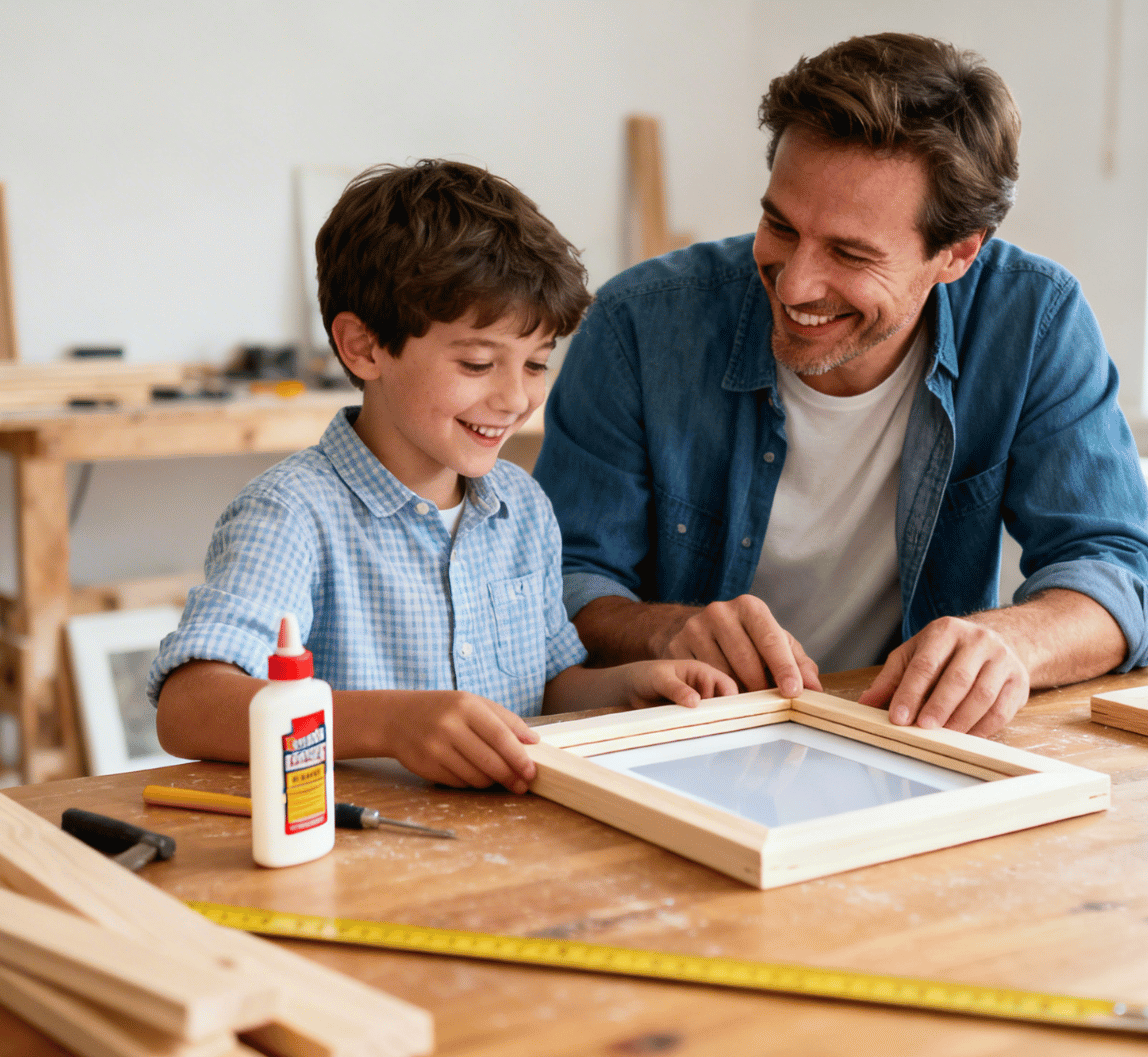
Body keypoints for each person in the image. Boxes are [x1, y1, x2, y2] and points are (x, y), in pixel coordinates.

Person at [535, 33, 1148, 738]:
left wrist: (1015, 642)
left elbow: (1125, 575)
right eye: (780, 225)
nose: (797, 281)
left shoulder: (1034, 320)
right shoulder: (640, 324)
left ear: (957, 254)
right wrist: (665, 632)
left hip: (898, 740)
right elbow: (557, 582)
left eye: (849, 252)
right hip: (689, 740)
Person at [150, 160, 735, 794]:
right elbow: (189, 709)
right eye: (479, 363)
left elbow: (545, 686)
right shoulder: (293, 514)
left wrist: (626, 685)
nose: (515, 399)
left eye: (537, 364)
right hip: (360, 854)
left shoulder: (523, 506)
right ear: (364, 348)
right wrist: (393, 724)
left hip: (508, 844)